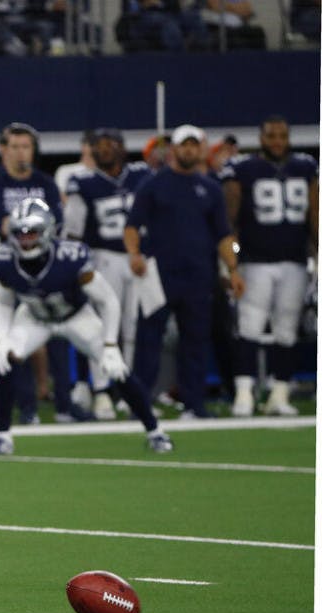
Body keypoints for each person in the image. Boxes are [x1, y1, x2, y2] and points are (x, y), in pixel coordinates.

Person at [0, 198, 172, 455]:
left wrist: (109, 345)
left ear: (48, 231)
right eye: (20, 233)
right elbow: (4, 302)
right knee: (4, 360)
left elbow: (108, 301)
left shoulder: (69, 257)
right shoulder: (5, 259)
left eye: (32, 233)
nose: (26, 240)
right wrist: (1, 338)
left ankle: (156, 433)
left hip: (76, 317)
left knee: (117, 370)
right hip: (34, 317)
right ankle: (2, 438)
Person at [125, 123, 245, 418]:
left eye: (194, 144)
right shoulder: (154, 184)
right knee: (148, 339)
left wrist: (233, 269)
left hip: (198, 275)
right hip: (159, 273)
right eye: (184, 145)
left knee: (195, 340)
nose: (189, 150)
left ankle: (194, 403)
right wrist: (134, 254)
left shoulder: (210, 188)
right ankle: (141, 404)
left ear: (201, 149)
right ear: (174, 149)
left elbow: (223, 234)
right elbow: (132, 225)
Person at [0, 122, 84, 424]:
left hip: (47, 267)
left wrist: (37, 242)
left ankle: (64, 405)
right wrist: (27, 238)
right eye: (14, 146)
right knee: (17, 338)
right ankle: (27, 407)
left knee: (59, 332)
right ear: (5, 150)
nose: (20, 152)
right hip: (14, 267)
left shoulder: (46, 182)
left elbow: (58, 222)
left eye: (25, 146)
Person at [221, 116, 318, 416]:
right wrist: (231, 264)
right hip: (255, 260)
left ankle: (279, 394)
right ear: (261, 138)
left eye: (282, 136)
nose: (277, 141)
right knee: (249, 325)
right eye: (272, 136)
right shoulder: (244, 169)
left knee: (287, 329)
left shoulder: (305, 167)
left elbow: (315, 212)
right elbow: (230, 218)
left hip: (294, 260)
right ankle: (244, 393)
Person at [63, 128, 152, 419]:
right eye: (98, 146)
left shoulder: (141, 175)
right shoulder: (83, 182)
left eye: (110, 145)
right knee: (103, 327)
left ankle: (128, 390)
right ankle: (101, 391)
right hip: (103, 258)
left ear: (122, 147)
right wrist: (74, 265)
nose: (105, 150)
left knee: (132, 328)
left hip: (137, 258)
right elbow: (74, 230)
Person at [54, 130, 96, 198]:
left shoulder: (104, 174)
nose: (95, 148)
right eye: (91, 144)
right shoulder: (65, 171)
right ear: (83, 146)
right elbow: (60, 196)